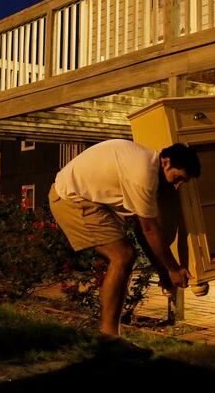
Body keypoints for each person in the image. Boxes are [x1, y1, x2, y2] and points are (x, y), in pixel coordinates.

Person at [48, 139, 200, 338]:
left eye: (183, 182)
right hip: (71, 199)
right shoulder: (143, 176)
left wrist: (163, 272)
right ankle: (110, 337)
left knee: (125, 255)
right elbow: (150, 231)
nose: (178, 186)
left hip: (86, 198)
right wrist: (173, 269)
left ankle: (110, 335)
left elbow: (141, 230)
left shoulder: (147, 165)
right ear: (167, 162)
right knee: (122, 256)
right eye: (178, 178)